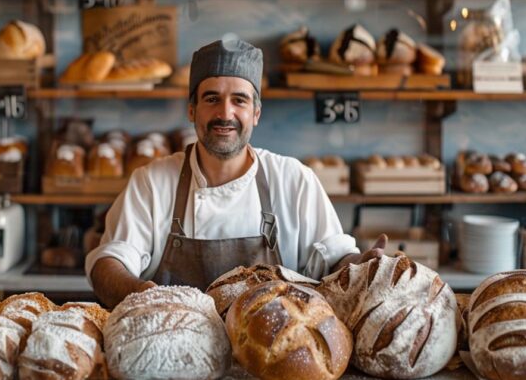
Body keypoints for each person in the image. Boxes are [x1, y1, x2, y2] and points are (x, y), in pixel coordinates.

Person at [86, 38, 385, 307]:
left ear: (256, 112)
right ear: (192, 110)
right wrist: (143, 295)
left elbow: (336, 260)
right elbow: (108, 264)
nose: (225, 114)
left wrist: (361, 266)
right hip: (174, 360)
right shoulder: (152, 183)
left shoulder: (294, 180)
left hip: (271, 361)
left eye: (239, 100)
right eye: (212, 99)